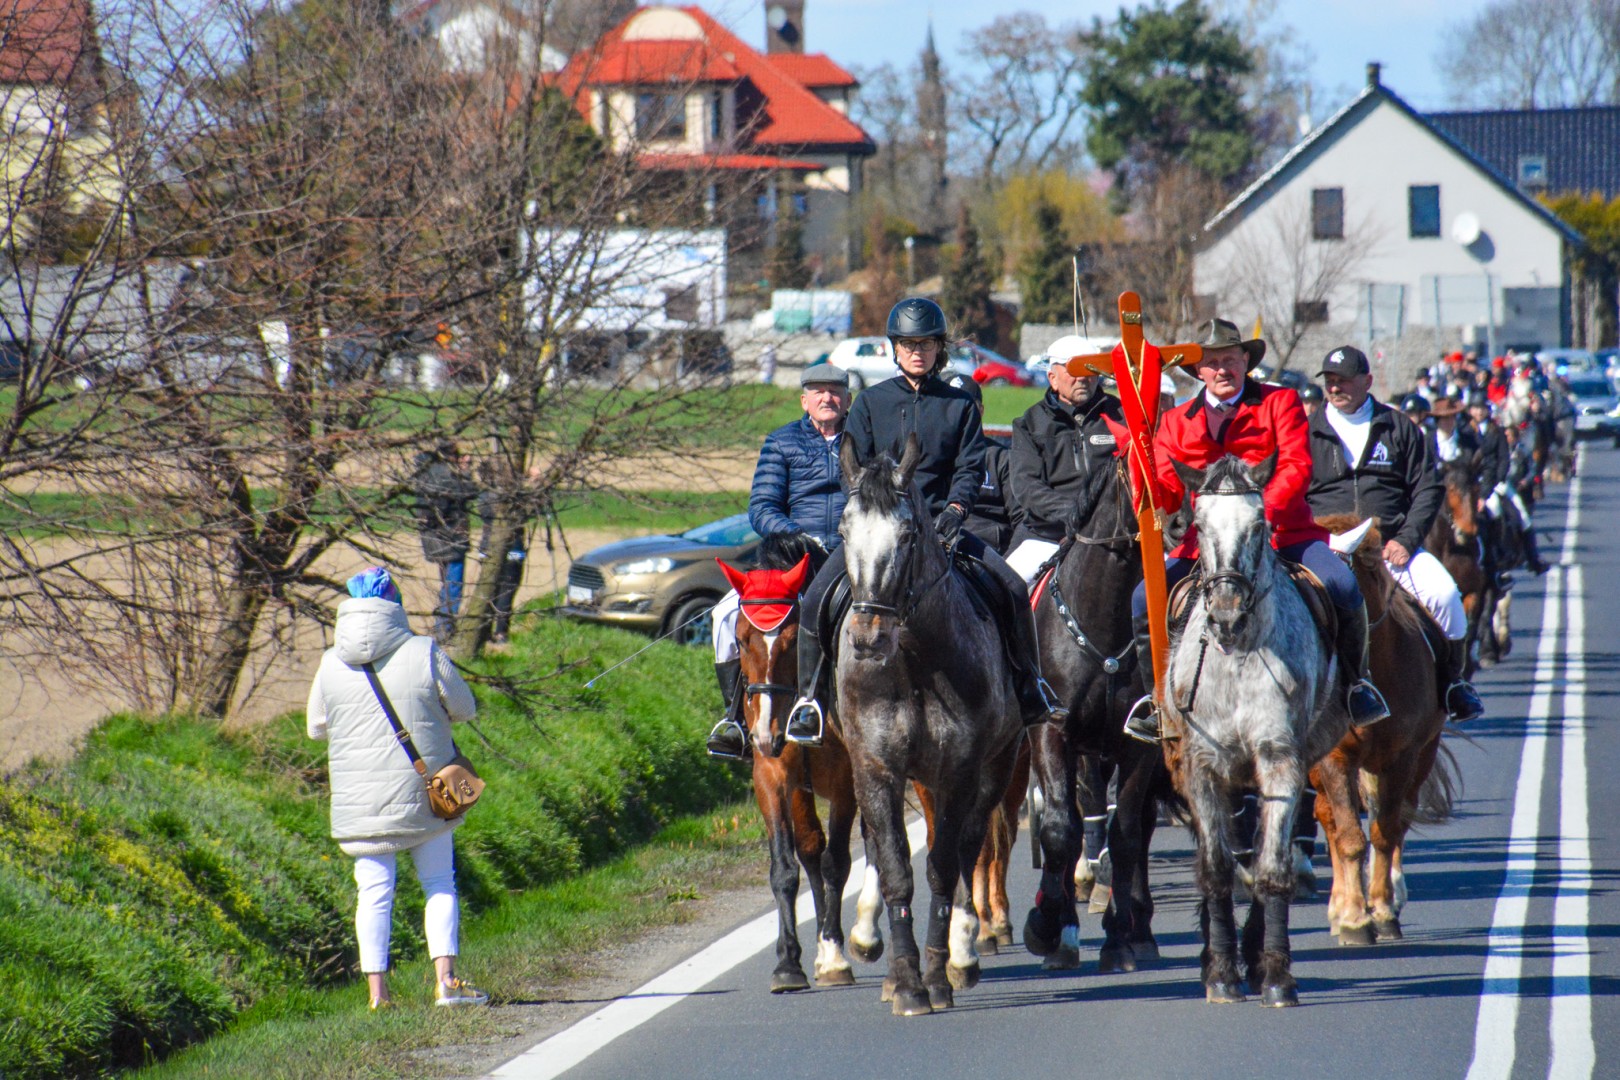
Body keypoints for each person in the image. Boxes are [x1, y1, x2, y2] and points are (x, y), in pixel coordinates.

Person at [785, 297, 1066, 746]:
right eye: (909, 343)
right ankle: (809, 702)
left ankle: (1030, 688)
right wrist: (868, 516)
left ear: (939, 349)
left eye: (927, 343)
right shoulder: (871, 403)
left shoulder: (959, 406)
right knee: (818, 596)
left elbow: (971, 466)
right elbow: (850, 466)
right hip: (880, 531)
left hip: (941, 528)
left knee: (1012, 588)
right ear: (895, 348)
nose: (918, 351)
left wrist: (956, 510)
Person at [1122, 320, 1389, 745]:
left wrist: (1260, 517)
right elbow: (1167, 492)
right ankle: (1157, 702)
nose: (1222, 369)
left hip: (1284, 533)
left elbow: (1297, 466)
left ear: (1245, 361)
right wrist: (1141, 460)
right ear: (1199, 373)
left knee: (1342, 585)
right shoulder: (1174, 423)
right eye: (1212, 363)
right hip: (1207, 547)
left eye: (1230, 359)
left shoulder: (1279, 402)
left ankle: (1358, 686)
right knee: (1143, 600)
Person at [306, 567, 488, 1009]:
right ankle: (447, 982)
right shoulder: (422, 651)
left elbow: (315, 727)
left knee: (373, 894)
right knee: (439, 882)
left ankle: (378, 996)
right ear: (395, 604)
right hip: (422, 794)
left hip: (360, 802)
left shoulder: (331, 661)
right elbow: (465, 708)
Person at [1304, 346, 1483, 722]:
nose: (1335, 389)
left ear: (1367, 382)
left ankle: (1453, 684)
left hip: (1388, 547)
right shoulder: (1307, 430)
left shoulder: (1399, 427)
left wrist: (1406, 540)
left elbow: (1428, 489)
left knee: (1447, 596)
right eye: (1330, 382)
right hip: (1324, 547)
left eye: (1344, 381)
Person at [705, 362, 851, 759]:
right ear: (804, 400)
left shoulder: (864, 441)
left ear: (848, 399)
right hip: (788, 560)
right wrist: (795, 535)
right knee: (722, 616)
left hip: (848, 556)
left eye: (835, 390)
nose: (827, 398)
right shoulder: (781, 441)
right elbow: (762, 507)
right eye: (818, 391)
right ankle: (733, 719)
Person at [1005, 335, 1125, 583]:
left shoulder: (1121, 416)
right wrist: (1075, 513)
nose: (1083, 377)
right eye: (1074, 369)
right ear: (1053, 378)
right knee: (1003, 588)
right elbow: (1026, 486)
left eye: (1089, 369)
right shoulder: (1029, 424)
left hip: (1113, 534)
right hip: (1045, 536)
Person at [412, 441, 479, 643]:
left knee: (446, 583)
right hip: (451, 537)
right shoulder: (446, 475)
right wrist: (466, 471)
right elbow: (469, 491)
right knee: (453, 585)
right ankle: (444, 628)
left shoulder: (425, 473)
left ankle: (443, 624)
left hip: (432, 537)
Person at [948, 372, 1021, 554]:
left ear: (980, 411)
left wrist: (1009, 563)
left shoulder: (1002, 458)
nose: (959, 414)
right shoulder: (928, 457)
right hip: (939, 548)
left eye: (968, 407)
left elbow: (1022, 519)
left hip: (989, 553)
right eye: (951, 407)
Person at [474, 462, 531, 646]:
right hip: (512, 549)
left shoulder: (484, 496)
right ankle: (500, 632)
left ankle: (485, 630)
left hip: (487, 548)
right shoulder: (511, 498)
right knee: (507, 590)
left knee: (490, 590)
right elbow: (530, 511)